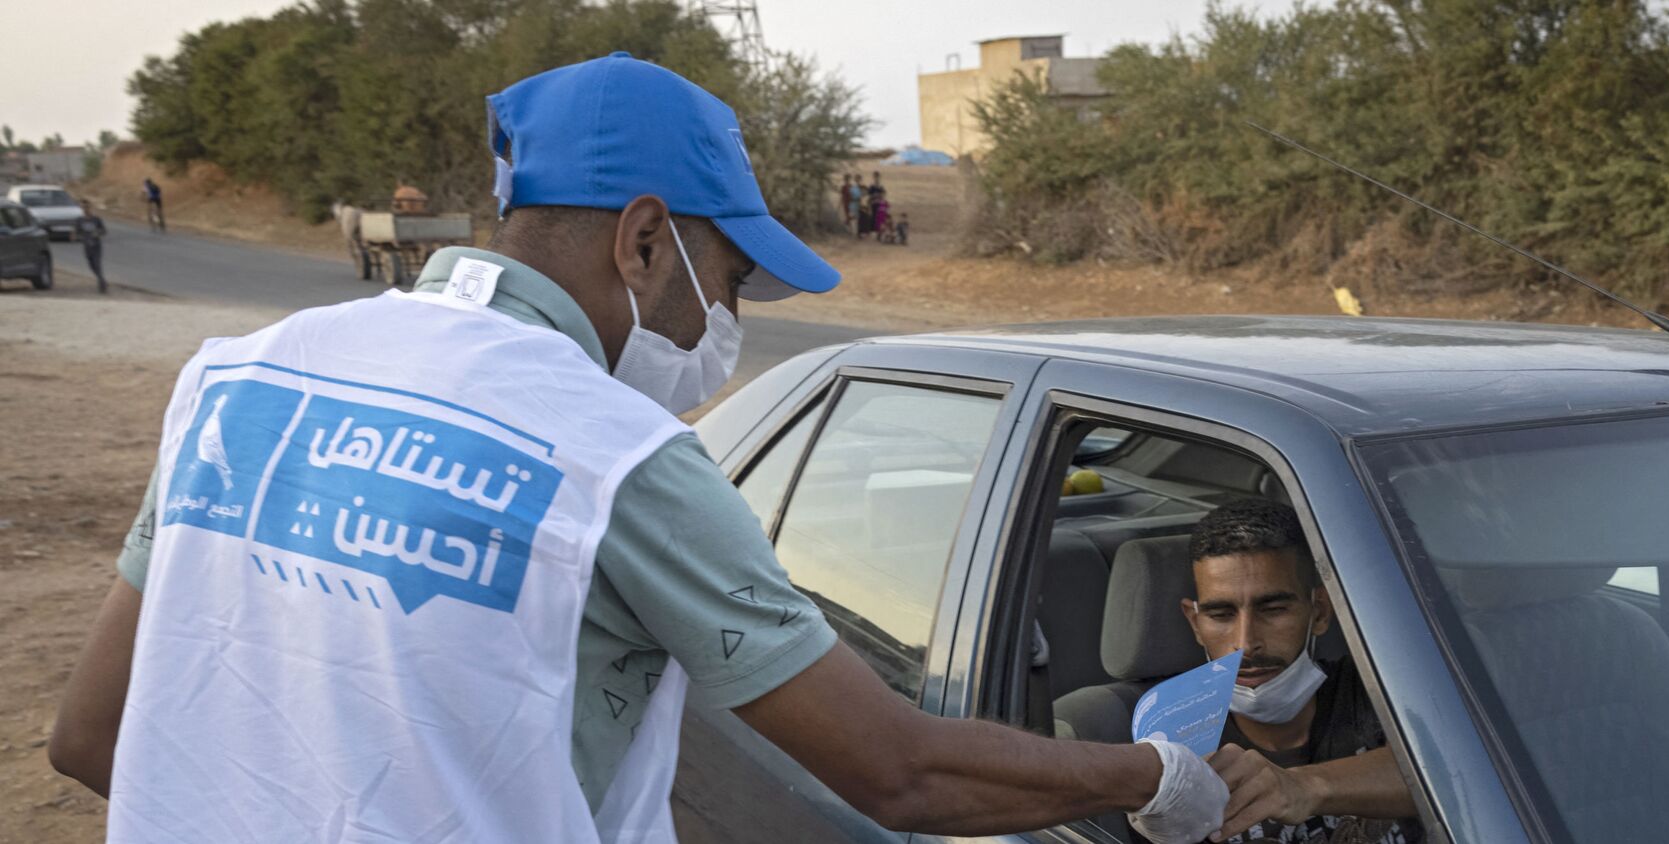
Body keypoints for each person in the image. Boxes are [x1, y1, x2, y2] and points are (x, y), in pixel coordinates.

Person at [48, 53, 1226, 844]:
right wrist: (1152, 777)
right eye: (730, 278)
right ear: (647, 242)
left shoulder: (244, 375)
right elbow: (899, 773)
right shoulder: (614, 455)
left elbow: (93, 736)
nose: (729, 322)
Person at [1182, 499, 1422, 844]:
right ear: (1195, 623)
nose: (1246, 644)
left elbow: (1449, 767)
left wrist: (1305, 786)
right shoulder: (1172, 735)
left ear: (1320, 611)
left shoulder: (1378, 689)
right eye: (1221, 614)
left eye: (1274, 609)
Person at [75, 200, 108, 293]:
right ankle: (101, 279)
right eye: (84, 207)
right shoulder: (79, 220)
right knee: (91, 265)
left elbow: (104, 231)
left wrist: (97, 233)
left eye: (87, 207)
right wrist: (77, 236)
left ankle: (101, 283)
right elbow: (76, 233)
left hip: (96, 246)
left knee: (97, 264)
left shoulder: (96, 219)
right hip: (87, 246)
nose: (86, 209)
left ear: (90, 208)